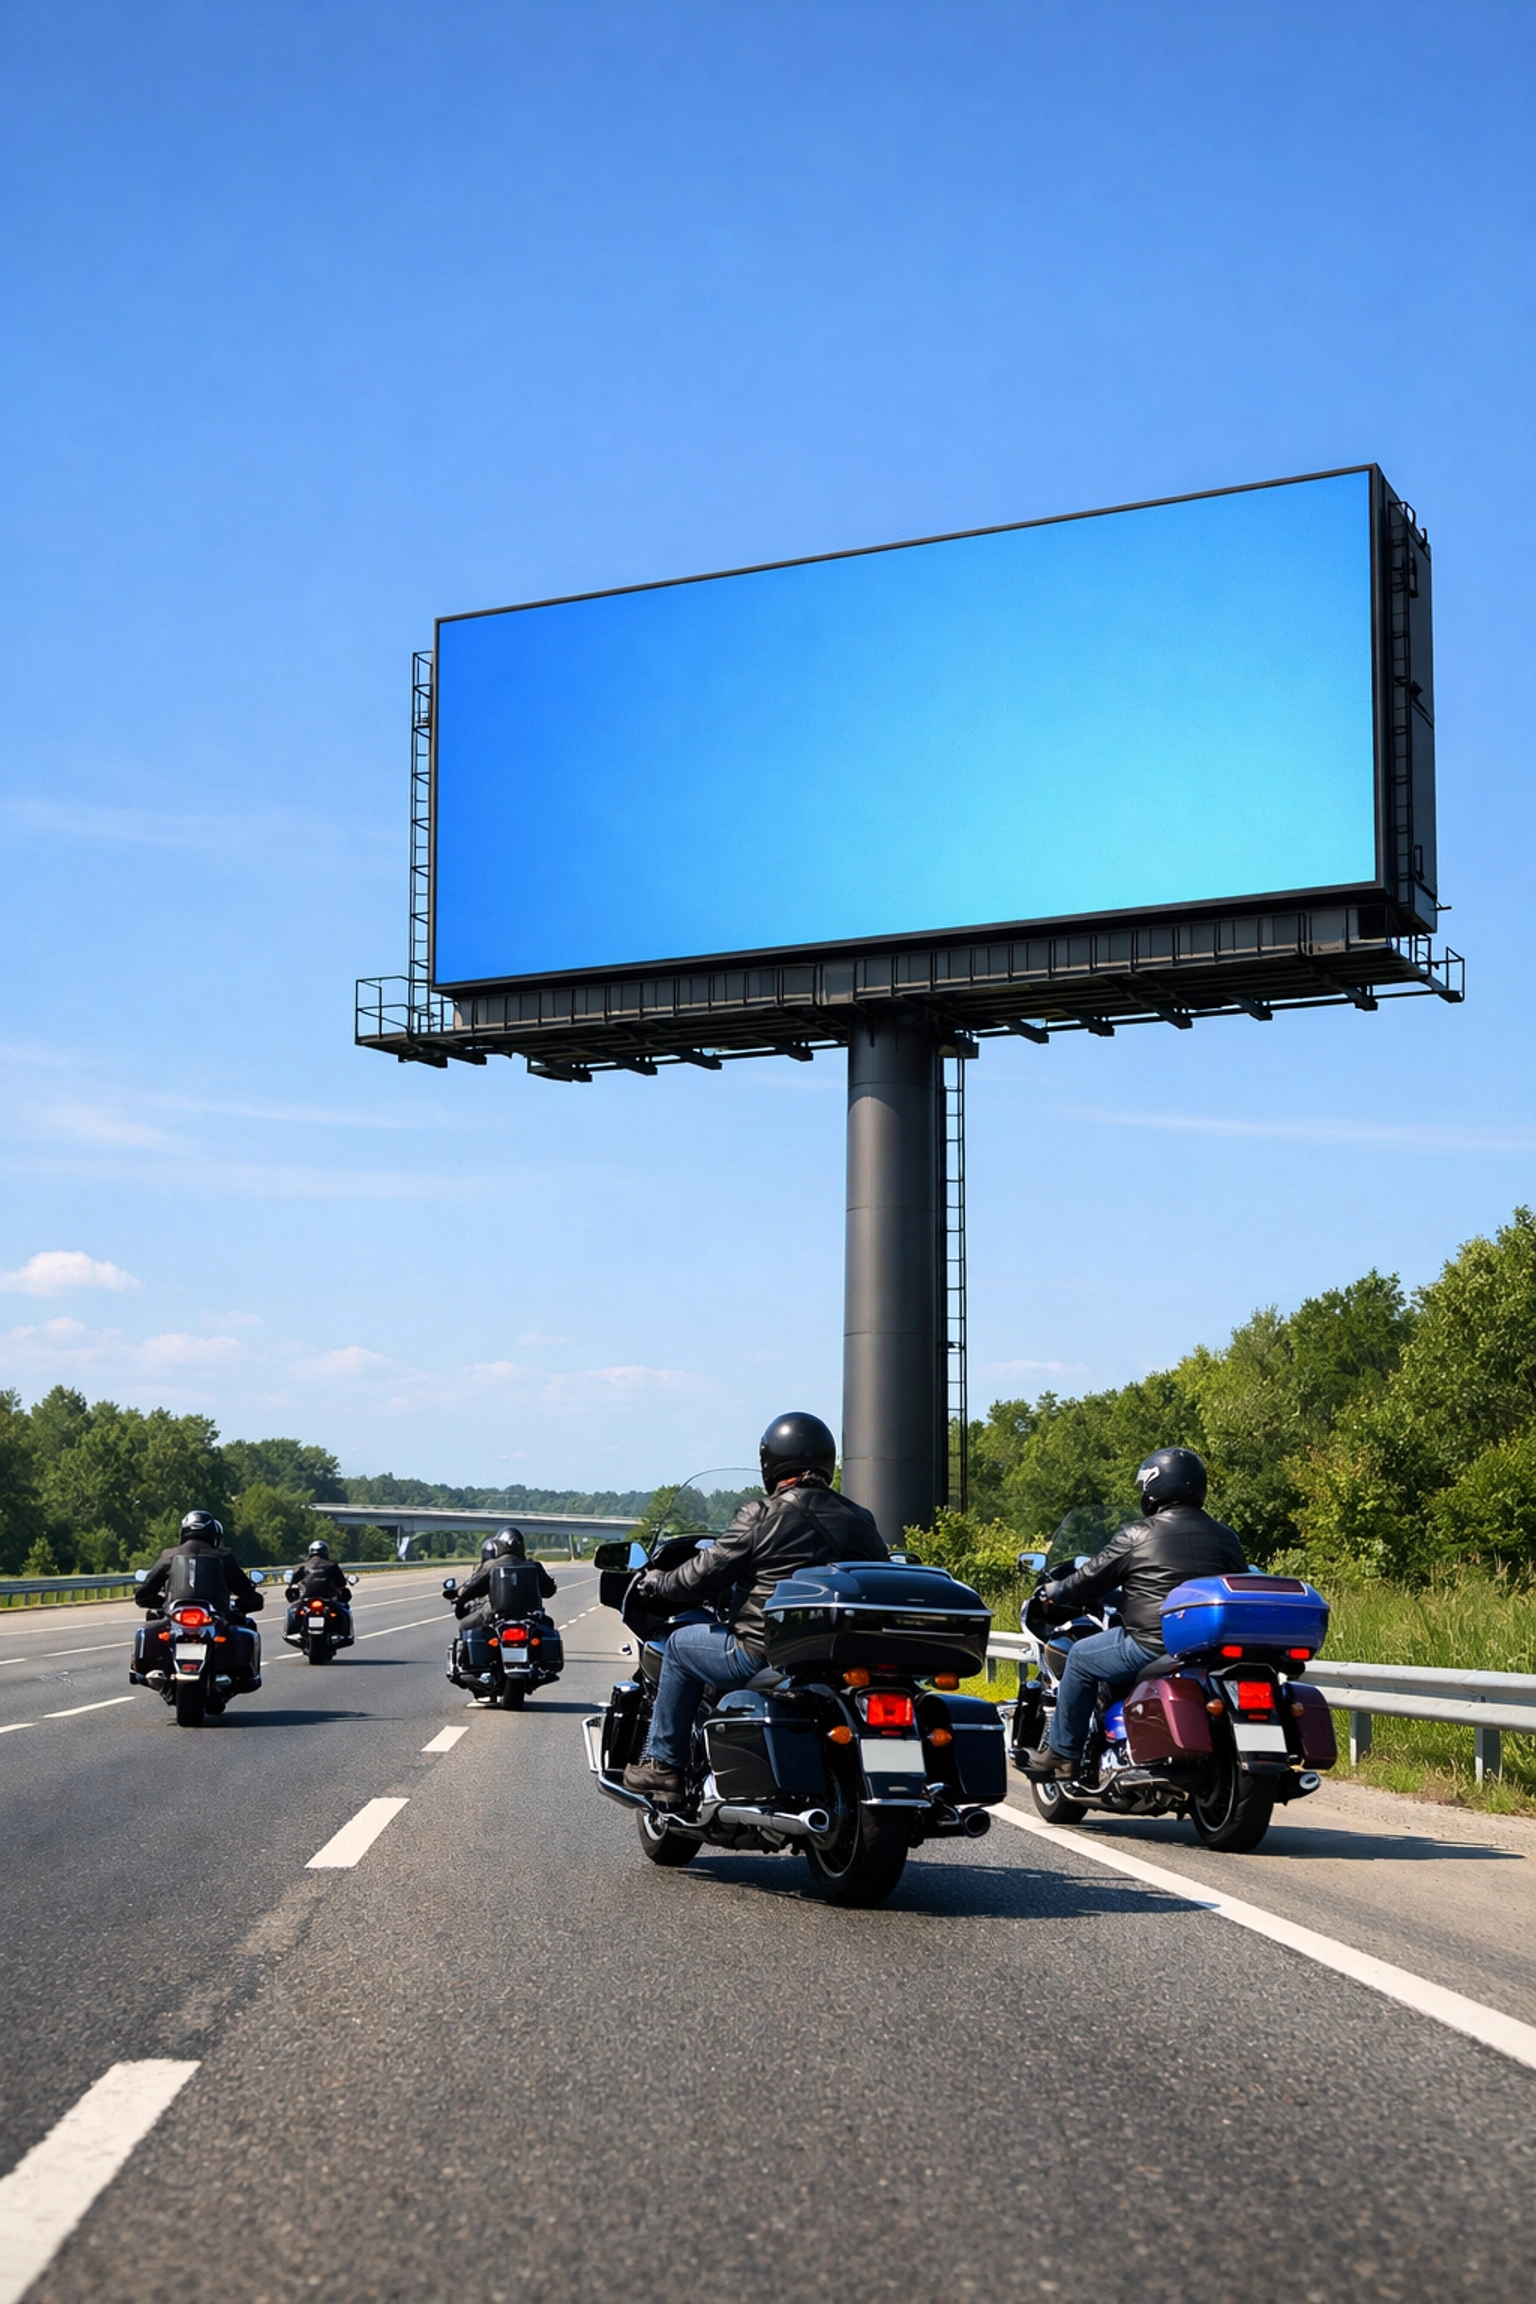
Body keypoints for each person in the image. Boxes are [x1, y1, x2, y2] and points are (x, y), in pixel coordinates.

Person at [622, 1412, 888, 1802]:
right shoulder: (861, 1519)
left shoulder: (761, 1515)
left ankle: (664, 1766)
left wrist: (658, 1582)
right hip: (837, 1656)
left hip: (764, 1654)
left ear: (772, 1462)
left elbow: (703, 1573)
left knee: (678, 1648)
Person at [1020, 1447, 1246, 1783]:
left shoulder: (1138, 1534)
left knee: (1080, 1658)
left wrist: (1055, 1591)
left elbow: (1089, 1578)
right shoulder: (1227, 1537)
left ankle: (1063, 1754)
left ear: (1154, 1487)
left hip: (1152, 1643)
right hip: (1207, 1647)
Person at [135, 1510, 265, 1685]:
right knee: (245, 1625)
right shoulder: (224, 1557)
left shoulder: (169, 1555)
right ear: (214, 1535)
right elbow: (247, 1593)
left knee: (152, 1620)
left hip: (177, 1615)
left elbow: (145, 1592)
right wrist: (245, 1603)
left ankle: (160, 1668)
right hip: (213, 1615)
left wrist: (160, 1603)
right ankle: (231, 1672)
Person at [453, 1528, 557, 1630]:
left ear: (499, 1545)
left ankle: (463, 1647)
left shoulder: (491, 1566)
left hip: (494, 1615)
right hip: (530, 1616)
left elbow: (472, 1587)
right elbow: (549, 1591)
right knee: (548, 1623)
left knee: (464, 1625)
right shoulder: (534, 1566)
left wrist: (459, 1594)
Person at [285, 1538, 354, 1640]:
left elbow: (292, 1582)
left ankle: (295, 1631)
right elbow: (341, 1583)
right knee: (343, 1611)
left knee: (292, 1610)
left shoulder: (302, 1566)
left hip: (306, 1598)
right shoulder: (332, 1565)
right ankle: (344, 1633)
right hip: (327, 1599)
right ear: (325, 1552)